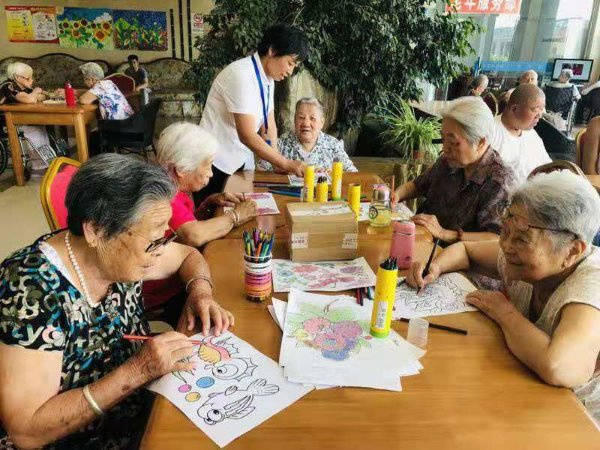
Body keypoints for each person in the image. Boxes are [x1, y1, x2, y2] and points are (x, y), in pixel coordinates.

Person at [0, 153, 234, 449]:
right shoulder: (30, 290)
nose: (160, 250)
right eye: (153, 241)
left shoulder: (119, 251)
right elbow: (26, 431)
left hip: (144, 410)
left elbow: (188, 255)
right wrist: (139, 370)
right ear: (96, 231)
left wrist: (200, 292)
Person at [406, 170, 600, 424]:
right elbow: (466, 251)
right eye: (506, 232)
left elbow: (558, 367)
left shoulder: (592, 284)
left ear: (572, 251)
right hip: (526, 387)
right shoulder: (527, 260)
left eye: (521, 239)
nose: (506, 246)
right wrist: (435, 267)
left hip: (578, 418)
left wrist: (505, 312)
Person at [197, 23, 309, 204]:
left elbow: (268, 124)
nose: (290, 71)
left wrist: (275, 161)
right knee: (212, 213)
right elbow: (247, 134)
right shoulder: (242, 75)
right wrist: (285, 163)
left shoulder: (268, 79)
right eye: (290, 63)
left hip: (239, 161)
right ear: (272, 51)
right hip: (214, 163)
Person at [393, 96, 515, 244]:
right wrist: (396, 196)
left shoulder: (499, 181)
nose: (445, 149)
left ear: (480, 142)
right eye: (443, 140)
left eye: (453, 142)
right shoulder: (448, 161)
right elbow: (417, 186)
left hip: (454, 255)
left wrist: (444, 233)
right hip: (421, 239)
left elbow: (495, 238)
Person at [257, 97, 357, 172]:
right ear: (294, 120)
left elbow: (352, 173)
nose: (306, 123)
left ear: (321, 123)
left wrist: (334, 174)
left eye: (312, 118)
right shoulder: (281, 143)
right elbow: (261, 171)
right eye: (301, 117)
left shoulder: (333, 145)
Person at [488, 84, 551, 184]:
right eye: (535, 109)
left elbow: (548, 166)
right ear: (514, 109)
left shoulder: (532, 135)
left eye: (541, 109)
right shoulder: (491, 133)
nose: (539, 116)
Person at [0, 61, 54, 175]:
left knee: (41, 125)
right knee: (34, 129)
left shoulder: (22, 86)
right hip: (4, 120)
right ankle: (39, 165)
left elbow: (40, 97)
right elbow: (30, 99)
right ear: (17, 77)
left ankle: (46, 161)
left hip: (17, 118)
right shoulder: (8, 86)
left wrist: (35, 95)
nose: (32, 80)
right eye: (28, 78)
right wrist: (35, 93)